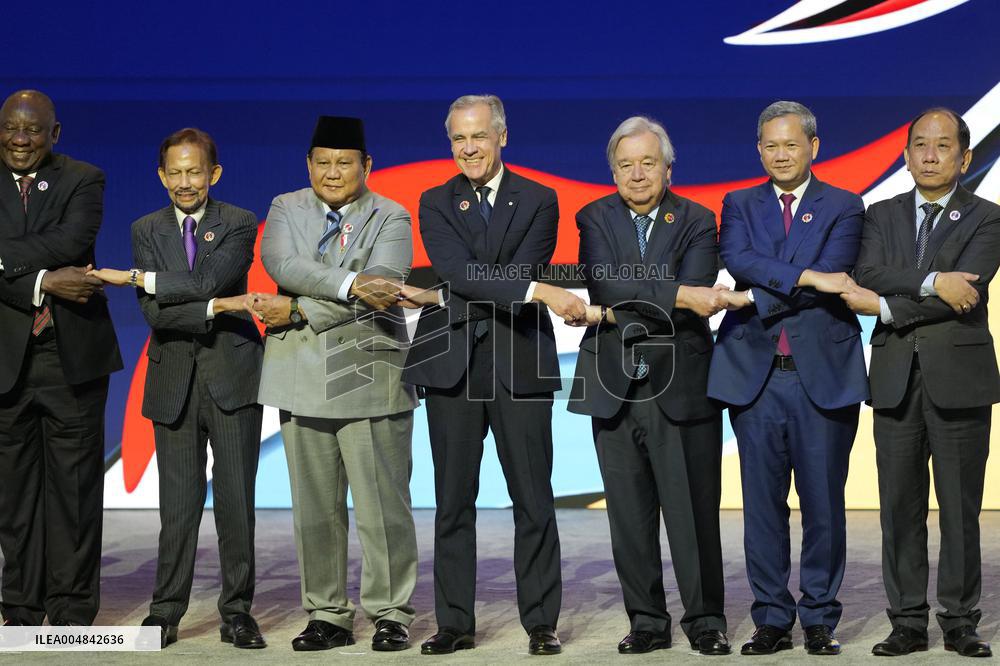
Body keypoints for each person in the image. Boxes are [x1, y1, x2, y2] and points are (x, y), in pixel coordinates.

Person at [397, 94, 585, 656]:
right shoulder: (433, 201)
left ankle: (541, 623)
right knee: (453, 501)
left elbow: (507, 271)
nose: (468, 148)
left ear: (502, 136)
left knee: (534, 500)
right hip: (452, 363)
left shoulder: (540, 197)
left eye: (478, 136)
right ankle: (454, 622)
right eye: (458, 139)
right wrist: (536, 291)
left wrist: (516, 283)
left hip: (518, 358)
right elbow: (454, 273)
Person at [89, 128, 265, 649]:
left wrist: (142, 279)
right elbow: (153, 315)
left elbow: (209, 280)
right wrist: (220, 308)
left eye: (196, 172)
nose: (186, 183)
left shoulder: (238, 222)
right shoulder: (145, 228)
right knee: (178, 508)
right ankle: (166, 611)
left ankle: (237, 612)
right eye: (176, 173)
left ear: (215, 173)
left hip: (233, 378)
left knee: (237, 503)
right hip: (173, 383)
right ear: (161, 176)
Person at [706, 101, 868, 656]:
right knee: (762, 507)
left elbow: (835, 268)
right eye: (770, 145)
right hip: (756, 377)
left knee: (824, 504)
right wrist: (805, 276)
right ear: (759, 149)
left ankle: (820, 617)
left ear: (813, 147)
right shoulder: (738, 202)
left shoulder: (845, 205)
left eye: (791, 144)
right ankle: (772, 618)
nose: (780, 154)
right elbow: (738, 258)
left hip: (821, 376)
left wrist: (762, 287)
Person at [566, 116, 731, 655]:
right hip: (613, 385)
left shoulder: (699, 219)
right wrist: (677, 294)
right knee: (629, 518)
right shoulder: (593, 217)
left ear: (668, 166)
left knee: (693, 512)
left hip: (680, 384)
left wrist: (630, 304)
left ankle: (706, 620)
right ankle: (647, 621)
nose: (637, 174)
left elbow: (699, 285)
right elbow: (605, 282)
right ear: (612, 171)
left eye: (648, 162)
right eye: (625, 164)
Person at [255, 116, 419, 652]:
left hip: (368, 370)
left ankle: (390, 613)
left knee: (382, 507)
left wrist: (299, 309)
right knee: (315, 508)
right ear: (308, 165)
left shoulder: (391, 215)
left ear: (366, 165)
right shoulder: (285, 208)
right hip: (299, 376)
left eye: (345, 162)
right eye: (322, 162)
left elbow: (387, 286)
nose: (333, 172)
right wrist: (350, 282)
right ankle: (327, 613)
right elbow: (282, 263)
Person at [841, 108, 1000, 658]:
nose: (930, 155)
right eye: (920, 146)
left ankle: (960, 621)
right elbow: (867, 274)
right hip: (893, 380)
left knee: (960, 509)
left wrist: (885, 306)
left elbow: (967, 294)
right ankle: (906, 620)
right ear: (905, 154)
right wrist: (933, 279)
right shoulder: (878, 214)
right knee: (899, 508)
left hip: (959, 380)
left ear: (965, 157)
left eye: (942, 146)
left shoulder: (987, 217)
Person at [0, 90, 122, 626]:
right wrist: (46, 279)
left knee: (74, 492)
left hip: (69, 355)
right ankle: (21, 607)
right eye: (9, 128)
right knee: (13, 495)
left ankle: (71, 608)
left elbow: (73, 239)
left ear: (55, 133)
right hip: (6, 359)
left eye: (32, 130)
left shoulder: (84, 178)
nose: (19, 140)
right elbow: (56, 258)